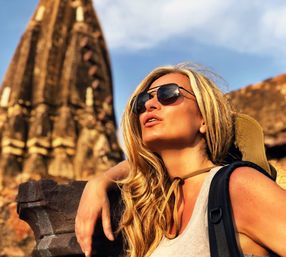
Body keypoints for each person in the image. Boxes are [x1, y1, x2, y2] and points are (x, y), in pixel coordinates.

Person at [75, 63, 286, 257]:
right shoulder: (157, 210)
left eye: (168, 94)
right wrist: (100, 182)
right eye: (142, 101)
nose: (150, 104)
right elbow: (141, 165)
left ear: (204, 119)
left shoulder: (237, 186)